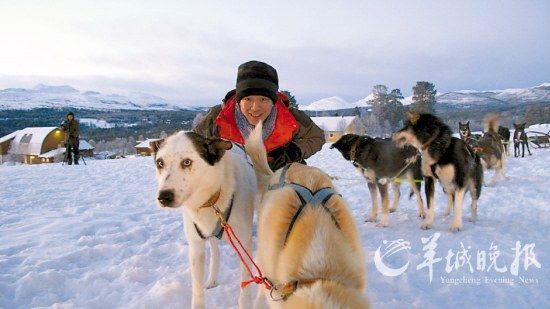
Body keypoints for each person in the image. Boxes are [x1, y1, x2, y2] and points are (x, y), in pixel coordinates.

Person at [194, 60, 325, 170]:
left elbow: (317, 137)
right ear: (239, 100)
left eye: (264, 99)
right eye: (248, 99)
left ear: (273, 101)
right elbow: (194, 142)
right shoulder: (218, 116)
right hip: (234, 180)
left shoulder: (291, 117)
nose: (255, 108)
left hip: (280, 177)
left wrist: (291, 152)